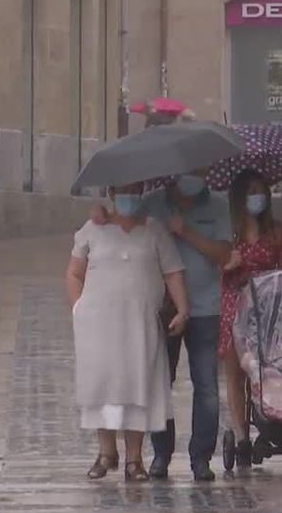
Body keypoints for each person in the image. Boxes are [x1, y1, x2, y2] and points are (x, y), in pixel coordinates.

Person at [91, 167, 232, 481]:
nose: (195, 176)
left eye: (201, 171)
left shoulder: (219, 206)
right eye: (189, 171)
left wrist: (186, 232)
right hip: (160, 308)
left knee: (206, 386)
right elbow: (122, 222)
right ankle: (161, 455)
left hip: (205, 307)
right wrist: (100, 213)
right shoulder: (152, 202)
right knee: (158, 384)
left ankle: (201, 459)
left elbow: (223, 254)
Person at [67, 183, 189, 481]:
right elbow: (73, 272)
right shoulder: (92, 229)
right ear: (111, 193)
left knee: (138, 384)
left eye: (134, 191)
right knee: (104, 384)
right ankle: (106, 451)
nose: (128, 197)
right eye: (123, 191)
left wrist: (183, 309)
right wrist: (77, 307)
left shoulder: (154, 231)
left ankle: (135, 459)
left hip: (141, 323)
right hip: (99, 324)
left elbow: (173, 272)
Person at [220, 169, 282, 467]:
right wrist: (227, 264)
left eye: (261, 191)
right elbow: (213, 265)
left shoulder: (276, 231)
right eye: (251, 191)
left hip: (267, 306)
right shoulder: (229, 232)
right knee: (235, 373)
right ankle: (241, 435)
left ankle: (270, 421)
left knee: (265, 370)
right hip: (234, 306)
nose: (257, 197)